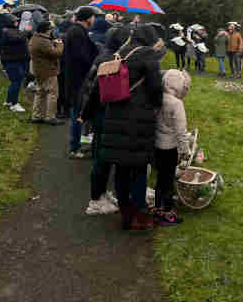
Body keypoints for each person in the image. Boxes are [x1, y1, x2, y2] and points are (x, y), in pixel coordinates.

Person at [99, 24, 164, 231]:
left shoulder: (121, 52)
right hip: (138, 117)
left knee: (121, 167)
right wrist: (156, 105)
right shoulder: (147, 55)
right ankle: (139, 215)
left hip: (116, 112)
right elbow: (155, 87)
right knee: (138, 167)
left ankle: (125, 212)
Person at [80, 26, 131, 216]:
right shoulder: (111, 60)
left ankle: (101, 194)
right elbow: (95, 90)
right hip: (105, 115)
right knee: (102, 159)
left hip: (99, 114)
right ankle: (95, 201)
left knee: (102, 157)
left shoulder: (104, 55)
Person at [152, 69, 191, 226]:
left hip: (157, 144)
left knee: (160, 179)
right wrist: (185, 151)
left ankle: (158, 207)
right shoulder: (176, 104)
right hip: (169, 147)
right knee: (168, 180)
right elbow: (181, 131)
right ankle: (167, 213)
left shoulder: (158, 98)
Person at [64, 7, 98, 159]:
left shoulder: (77, 31)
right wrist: (93, 64)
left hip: (76, 78)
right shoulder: (77, 32)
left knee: (78, 113)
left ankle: (77, 144)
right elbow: (81, 55)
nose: (94, 20)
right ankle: (74, 148)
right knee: (77, 114)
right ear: (87, 18)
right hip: (77, 79)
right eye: (93, 17)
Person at [28, 21, 65, 125]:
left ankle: (36, 116)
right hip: (47, 71)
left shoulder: (35, 38)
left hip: (38, 70)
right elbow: (55, 53)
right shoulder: (43, 41)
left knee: (40, 93)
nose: (51, 31)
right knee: (52, 94)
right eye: (50, 29)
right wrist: (59, 44)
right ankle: (50, 117)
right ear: (46, 30)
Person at [0, 14, 32, 112]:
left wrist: (28, 32)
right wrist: (26, 31)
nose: (17, 22)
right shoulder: (6, 32)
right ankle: (14, 104)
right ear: (10, 22)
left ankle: (9, 101)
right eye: (15, 21)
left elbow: (20, 36)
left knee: (15, 81)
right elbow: (17, 38)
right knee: (16, 81)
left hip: (15, 60)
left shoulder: (12, 31)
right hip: (11, 61)